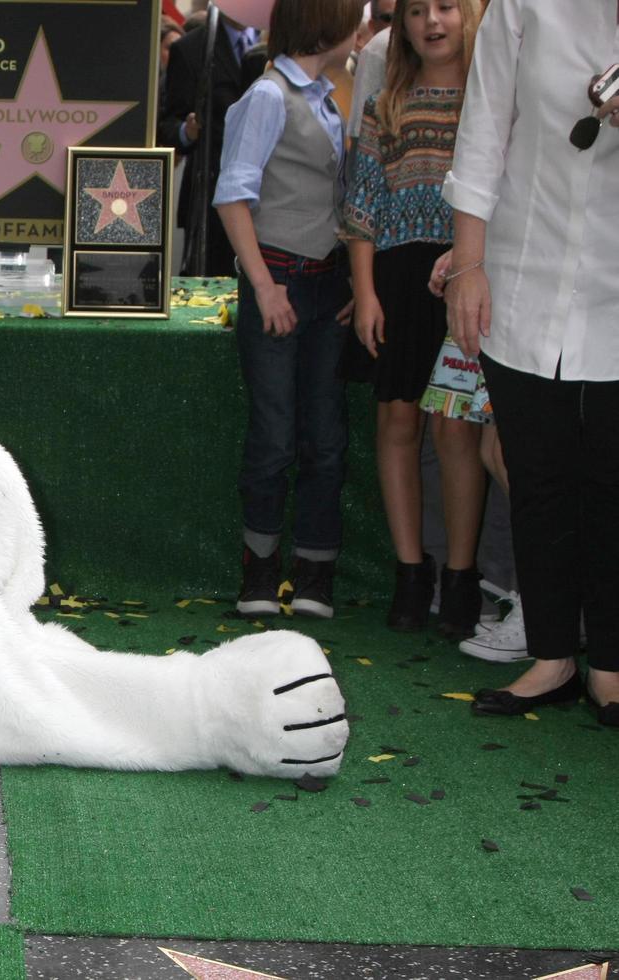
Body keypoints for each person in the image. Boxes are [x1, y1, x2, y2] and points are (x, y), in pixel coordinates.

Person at [442, 0, 619, 721]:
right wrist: (468, 266)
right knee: (536, 473)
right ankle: (551, 658)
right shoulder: (523, 4)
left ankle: (610, 666)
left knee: (612, 481)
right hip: (521, 269)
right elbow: (482, 133)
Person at [341, 0, 486, 638]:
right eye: (418, 10)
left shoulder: (491, 104)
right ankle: (410, 571)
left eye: (446, 7)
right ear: (400, 26)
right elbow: (363, 205)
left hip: (468, 276)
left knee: (455, 431)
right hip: (398, 278)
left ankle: (460, 575)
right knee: (398, 421)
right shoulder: (385, 104)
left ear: (470, 15)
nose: (433, 21)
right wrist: (366, 292)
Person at [214, 0, 362, 620]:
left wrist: (355, 278)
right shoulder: (269, 96)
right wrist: (265, 286)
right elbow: (231, 196)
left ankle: (315, 572)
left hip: (327, 284)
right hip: (280, 279)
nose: (362, 28)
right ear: (330, 26)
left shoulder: (328, 95)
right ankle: (260, 566)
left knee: (325, 437)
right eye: (356, 18)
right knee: (276, 436)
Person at [158, 13, 262, 275]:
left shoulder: (278, 42)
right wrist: (188, 131)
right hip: (211, 198)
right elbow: (168, 126)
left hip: (268, 196)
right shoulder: (192, 48)